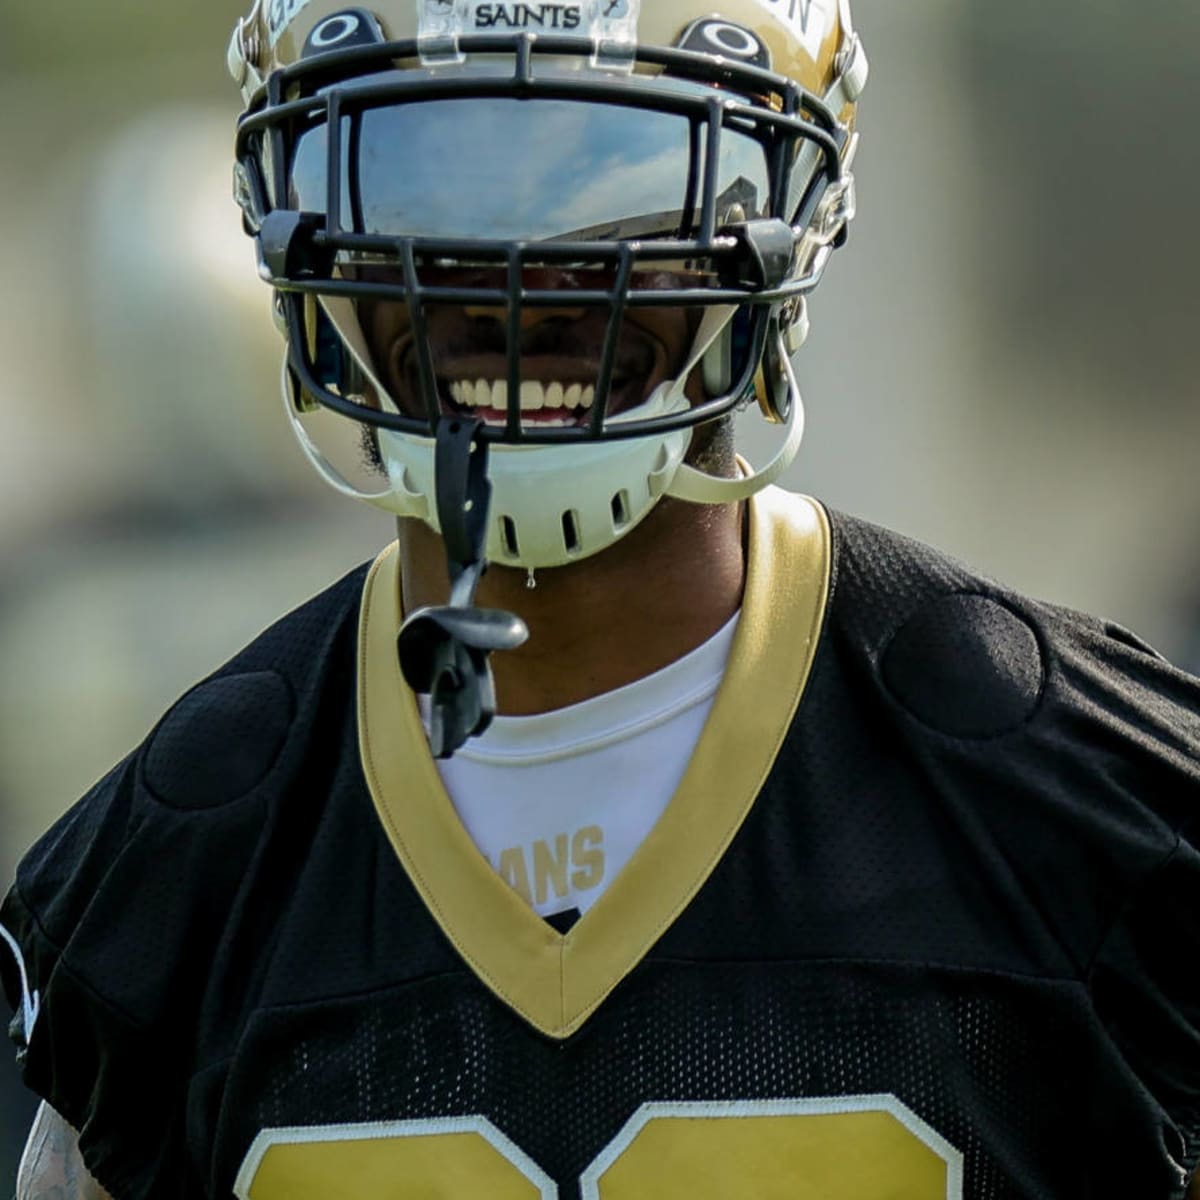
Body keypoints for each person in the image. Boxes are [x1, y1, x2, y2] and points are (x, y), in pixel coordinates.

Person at [5, 0, 1200, 1196]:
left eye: (615, 180)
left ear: (784, 230)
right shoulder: (166, 880)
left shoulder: (1100, 811)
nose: (519, 279)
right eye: (429, 184)